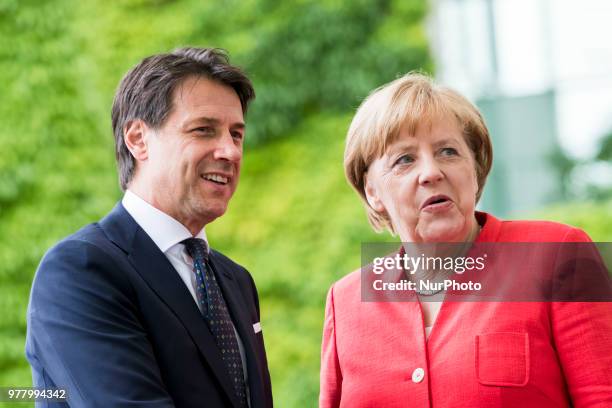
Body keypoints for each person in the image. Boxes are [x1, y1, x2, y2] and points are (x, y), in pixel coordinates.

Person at [319, 73, 612, 407]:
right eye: (405, 159)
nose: (431, 172)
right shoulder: (344, 302)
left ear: (475, 170)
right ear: (372, 192)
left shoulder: (558, 255)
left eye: (448, 151)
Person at [26, 47, 273, 408]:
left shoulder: (236, 281)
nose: (231, 152)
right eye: (204, 130)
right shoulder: (80, 271)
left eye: (236, 135)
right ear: (138, 139)